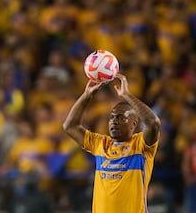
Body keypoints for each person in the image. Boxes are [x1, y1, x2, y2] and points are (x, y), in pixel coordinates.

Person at [62, 73, 161, 213]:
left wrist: (126, 95)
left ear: (134, 123)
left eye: (121, 117)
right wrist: (86, 95)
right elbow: (69, 126)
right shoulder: (100, 144)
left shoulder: (141, 146)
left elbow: (153, 123)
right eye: (112, 117)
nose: (114, 121)